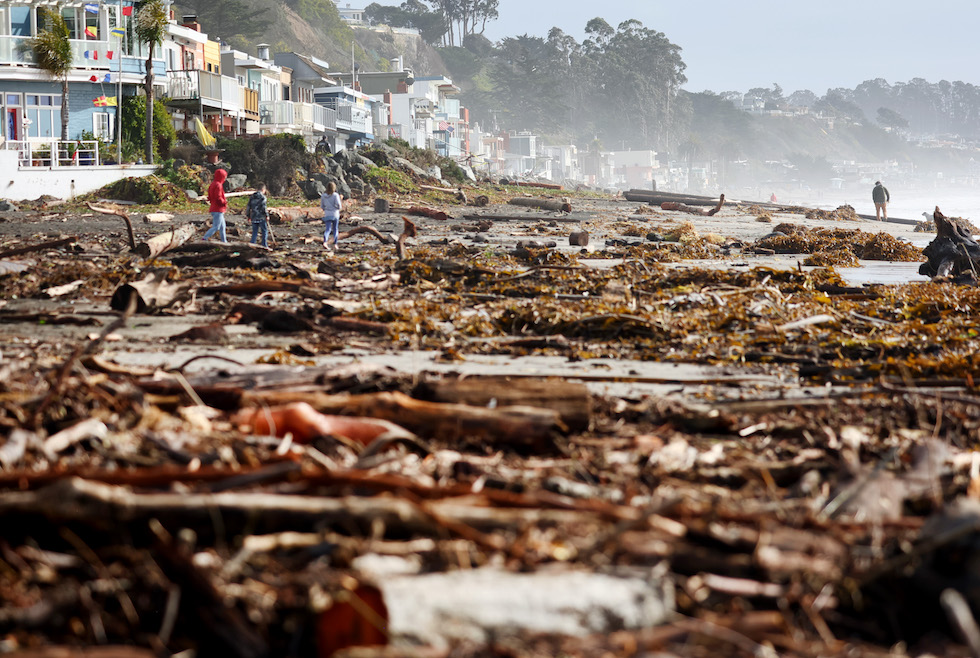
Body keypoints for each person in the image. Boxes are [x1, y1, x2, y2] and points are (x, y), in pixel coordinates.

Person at [203, 168, 228, 242]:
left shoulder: (213, 184)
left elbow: (210, 197)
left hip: (214, 208)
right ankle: (205, 238)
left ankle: (224, 241)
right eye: (225, 176)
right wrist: (224, 202)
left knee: (222, 226)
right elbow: (218, 197)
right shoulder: (218, 185)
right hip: (218, 209)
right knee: (216, 227)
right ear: (222, 177)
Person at [320, 181, 343, 250]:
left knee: (327, 229)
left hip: (327, 214)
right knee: (335, 229)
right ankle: (335, 244)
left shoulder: (323, 196)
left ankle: (325, 242)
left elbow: (322, 206)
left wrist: (326, 209)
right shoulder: (336, 195)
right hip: (335, 214)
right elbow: (339, 206)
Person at [246, 182, 269, 248]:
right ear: (263, 189)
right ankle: (264, 245)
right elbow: (263, 207)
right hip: (261, 217)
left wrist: (248, 216)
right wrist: (267, 215)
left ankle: (252, 244)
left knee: (255, 231)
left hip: (253, 217)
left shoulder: (252, 196)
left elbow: (248, 207)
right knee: (264, 231)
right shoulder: (263, 197)